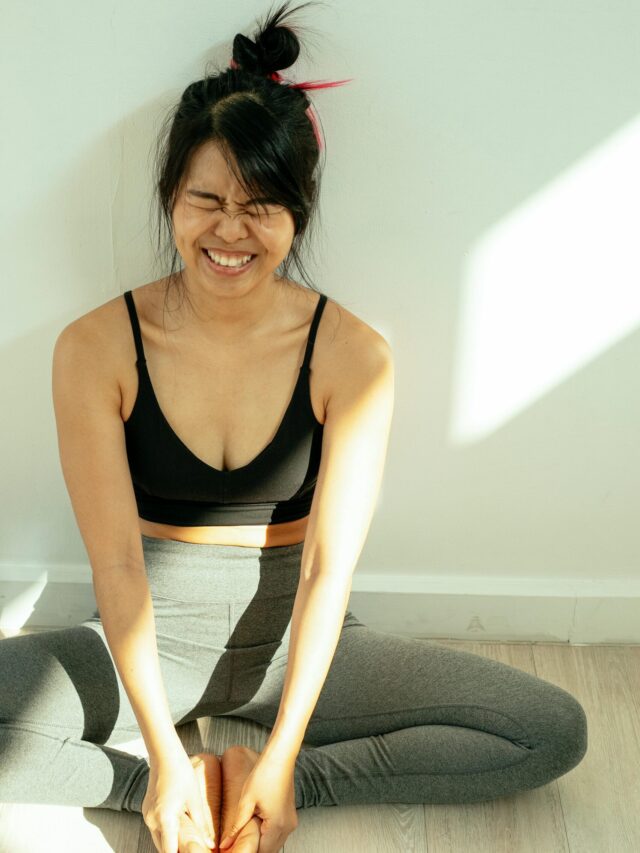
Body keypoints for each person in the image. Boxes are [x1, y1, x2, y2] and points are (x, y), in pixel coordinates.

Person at [1, 3, 588, 852]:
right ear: (171, 195)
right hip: (151, 631)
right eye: (206, 199)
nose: (230, 231)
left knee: (549, 727)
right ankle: (187, 793)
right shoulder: (96, 347)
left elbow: (324, 572)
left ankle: (262, 786)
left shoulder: (352, 353)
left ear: (298, 213)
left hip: (297, 637)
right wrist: (160, 768)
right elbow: (119, 564)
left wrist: (284, 764)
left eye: (261, 206)